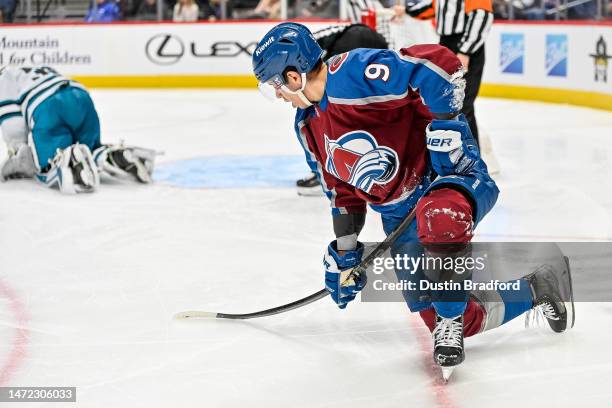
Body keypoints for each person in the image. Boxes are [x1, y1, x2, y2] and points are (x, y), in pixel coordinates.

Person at [252, 23, 574, 378]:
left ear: (293, 75)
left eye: (275, 85)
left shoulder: (354, 73)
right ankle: (536, 289)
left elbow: (439, 64)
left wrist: (447, 123)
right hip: (396, 211)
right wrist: (345, 253)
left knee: (441, 216)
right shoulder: (307, 125)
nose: (278, 95)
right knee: (454, 319)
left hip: (448, 177)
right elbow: (341, 192)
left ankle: (449, 317)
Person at [0, 66, 156, 194]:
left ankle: (66, 159)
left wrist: (18, 149)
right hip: (81, 96)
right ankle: (114, 155)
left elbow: (11, 121)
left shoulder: (4, 77)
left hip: (49, 106)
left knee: (49, 165)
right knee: (91, 150)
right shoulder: (34, 69)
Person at [394, 0, 493, 145]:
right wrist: (406, 9)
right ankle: (454, 156)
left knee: (461, 105)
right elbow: (430, 7)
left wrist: (466, 51)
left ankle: (469, 159)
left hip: (464, 46)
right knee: (447, 104)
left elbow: (482, 16)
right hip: (447, 44)